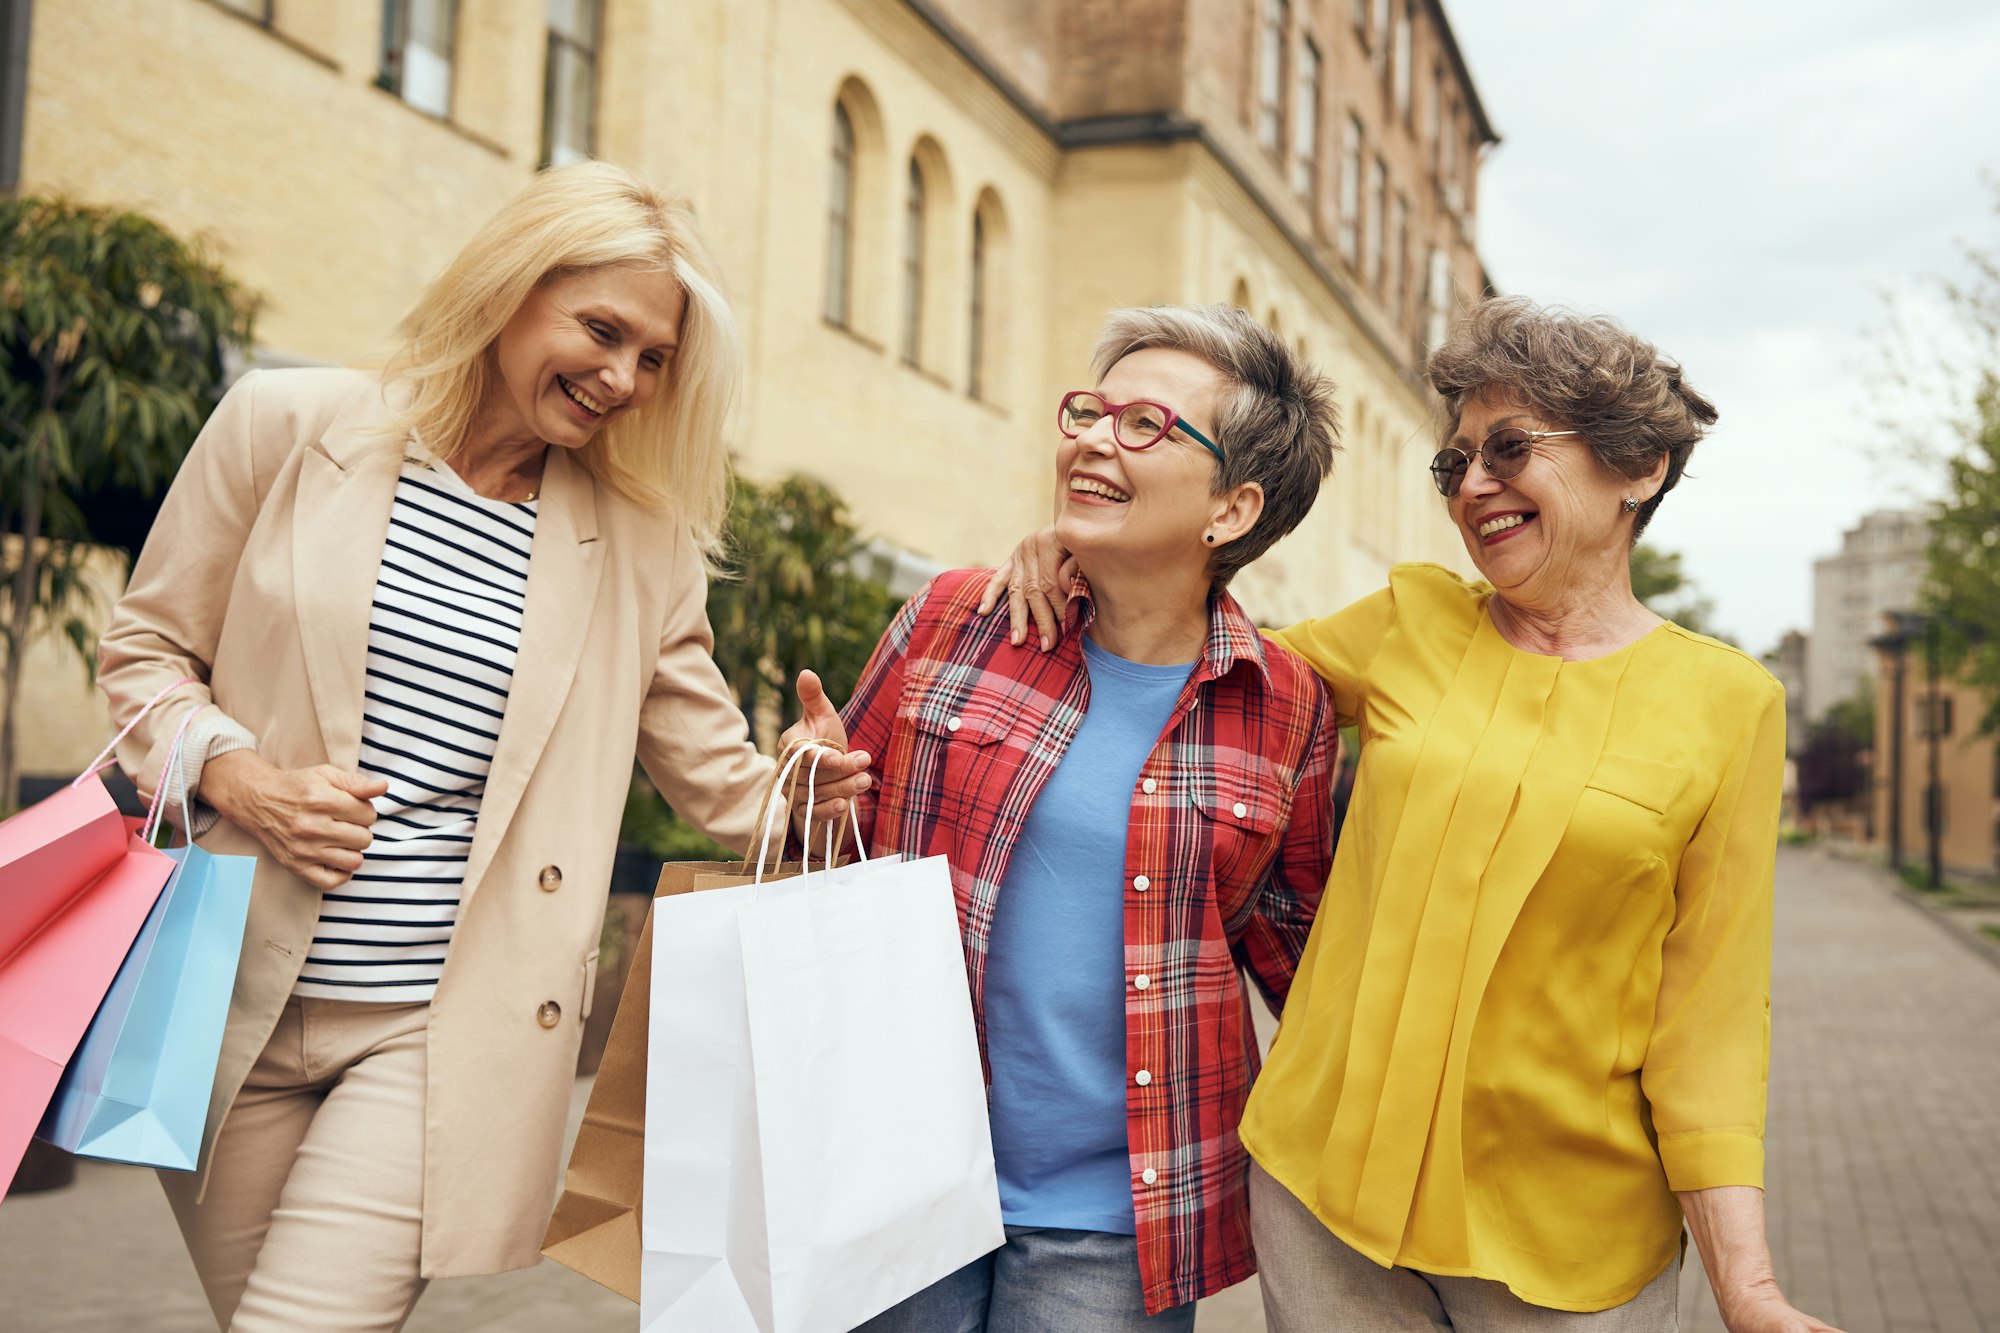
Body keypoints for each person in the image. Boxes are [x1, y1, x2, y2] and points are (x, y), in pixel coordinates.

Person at [95, 162, 866, 1332]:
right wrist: (242, 778)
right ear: (512, 290)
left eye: (653, 358)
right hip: (223, 998)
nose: (622, 377)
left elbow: (730, 794)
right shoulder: (284, 426)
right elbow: (144, 654)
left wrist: (812, 783)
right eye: (601, 331)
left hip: (434, 1029)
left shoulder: (640, 547)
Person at [985, 298, 1840, 1332]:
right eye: (1454, 463)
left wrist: (1746, 1288)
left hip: (1564, 1250)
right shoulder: (1407, 621)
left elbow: (1707, 1019)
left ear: (1637, 467)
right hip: (1322, 1208)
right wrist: (1081, 555)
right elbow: (1193, 654)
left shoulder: (1728, 704)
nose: (1474, 484)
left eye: (1510, 448)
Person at [805, 304, 1340, 1331]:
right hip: (894, 1167)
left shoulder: (1285, 707)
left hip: (1113, 1219)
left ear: (1229, 511)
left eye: (1145, 425)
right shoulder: (956, 617)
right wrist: (803, 786)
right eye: (1090, 411)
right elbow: (815, 852)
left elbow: (1306, 964)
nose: (1091, 438)